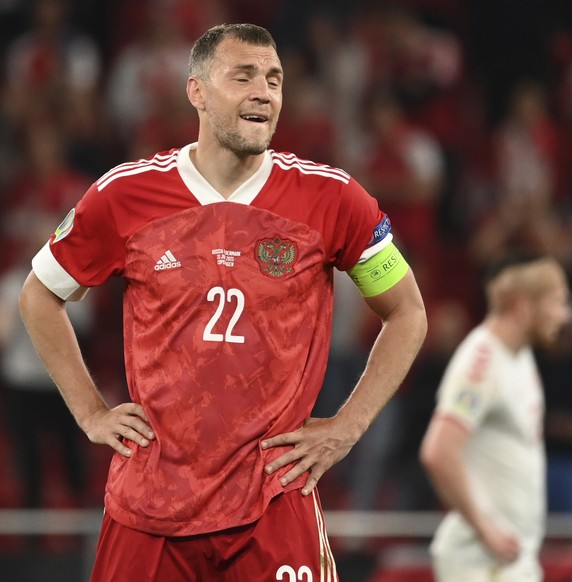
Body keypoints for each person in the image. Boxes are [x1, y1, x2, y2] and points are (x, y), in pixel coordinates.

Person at [18, 23, 427, 581]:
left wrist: (348, 427)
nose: (265, 91)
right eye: (244, 76)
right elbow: (40, 295)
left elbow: (407, 312)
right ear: (198, 92)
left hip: (274, 501)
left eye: (275, 80)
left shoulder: (334, 198)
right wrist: (91, 411)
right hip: (152, 505)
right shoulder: (124, 194)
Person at [420, 252, 572, 582]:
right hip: (482, 563)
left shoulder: (519, 356)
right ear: (523, 307)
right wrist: (486, 529)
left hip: (511, 560)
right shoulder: (482, 362)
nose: (565, 315)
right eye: (558, 302)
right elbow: (438, 452)